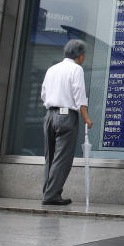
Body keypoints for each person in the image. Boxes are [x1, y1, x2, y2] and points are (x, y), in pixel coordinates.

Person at [39, 39, 93, 205]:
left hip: (49, 115)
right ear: (80, 55)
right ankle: (52, 195)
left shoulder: (52, 69)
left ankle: (48, 192)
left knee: (51, 157)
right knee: (62, 158)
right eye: (84, 55)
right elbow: (79, 95)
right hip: (66, 117)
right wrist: (86, 118)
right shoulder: (76, 69)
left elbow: (43, 94)